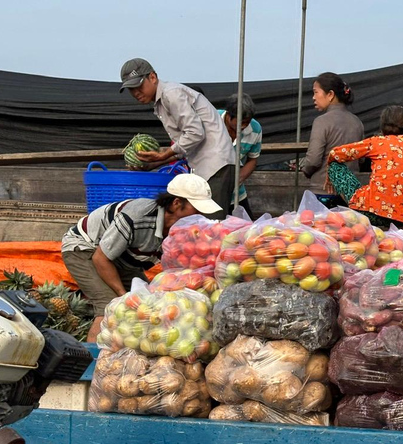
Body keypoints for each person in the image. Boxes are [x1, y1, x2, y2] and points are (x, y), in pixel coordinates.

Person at [61, 174, 222, 342]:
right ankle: (92, 357)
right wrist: (122, 295)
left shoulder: (181, 231)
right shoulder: (137, 217)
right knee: (109, 306)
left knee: (148, 302)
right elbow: (100, 258)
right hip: (85, 249)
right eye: (196, 209)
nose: (201, 214)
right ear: (176, 203)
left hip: (121, 258)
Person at [119, 58, 235, 219]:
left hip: (216, 165)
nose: (135, 93)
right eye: (131, 89)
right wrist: (154, 164)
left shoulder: (171, 94)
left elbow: (195, 133)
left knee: (212, 224)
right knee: (200, 224)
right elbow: (185, 146)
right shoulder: (161, 101)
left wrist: (164, 154)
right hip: (208, 166)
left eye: (138, 86)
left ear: (152, 77)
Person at [325, 105, 403, 227]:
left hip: (373, 214)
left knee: (334, 166)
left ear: (382, 128)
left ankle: (358, 207)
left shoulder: (377, 142)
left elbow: (335, 154)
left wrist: (329, 176)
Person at [301, 72, 364, 208]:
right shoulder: (357, 122)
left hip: (322, 192)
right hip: (349, 194)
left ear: (330, 94)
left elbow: (313, 160)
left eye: (316, 92)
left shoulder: (321, 122)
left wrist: (305, 170)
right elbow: (361, 159)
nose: (313, 97)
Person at [217, 93, 262, 219]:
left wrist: (237, 179)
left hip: (236, 193)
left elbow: (252, 159)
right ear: (228, 115)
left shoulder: (255, 129)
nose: (244, 126)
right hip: (208, 191)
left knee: (247, 227)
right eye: (241, 122)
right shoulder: (211, 120)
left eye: (247, 122)